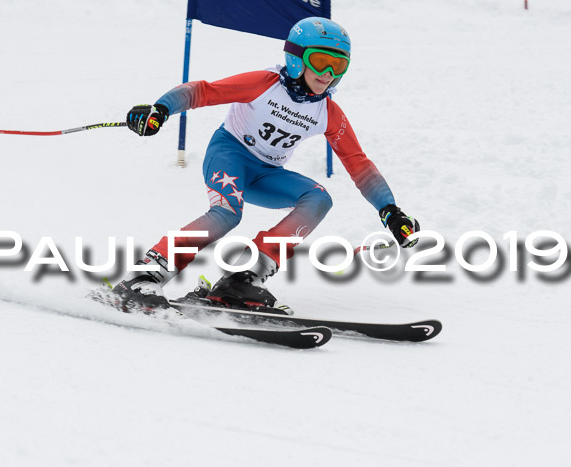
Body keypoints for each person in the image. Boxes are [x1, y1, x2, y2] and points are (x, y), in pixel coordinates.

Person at [112, 17, 420, 313]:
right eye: (320, 61)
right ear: (297, 59)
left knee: (318, 199)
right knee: (226, 215)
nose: (328, 73)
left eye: (338, 65)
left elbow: (359, 165)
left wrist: (390, 211)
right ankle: (143, 277)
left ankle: (243, 278)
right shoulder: (264, 84)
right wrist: (161, 109)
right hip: (229, 155)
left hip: (267, 174)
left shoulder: (329, 113)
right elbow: (204, 91)